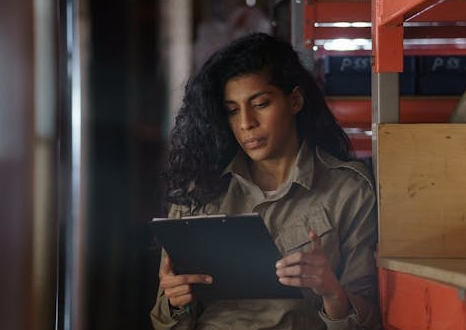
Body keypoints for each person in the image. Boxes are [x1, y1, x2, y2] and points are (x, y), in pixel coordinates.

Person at [150, 32, 381, 330]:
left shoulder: (348, 191)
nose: (246, 123)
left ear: (295, 100)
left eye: (260, 104)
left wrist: (332, 291)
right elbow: (163, 322)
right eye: (232, 110)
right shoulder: (197, 194)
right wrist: (173, 302)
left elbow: (370, 319)